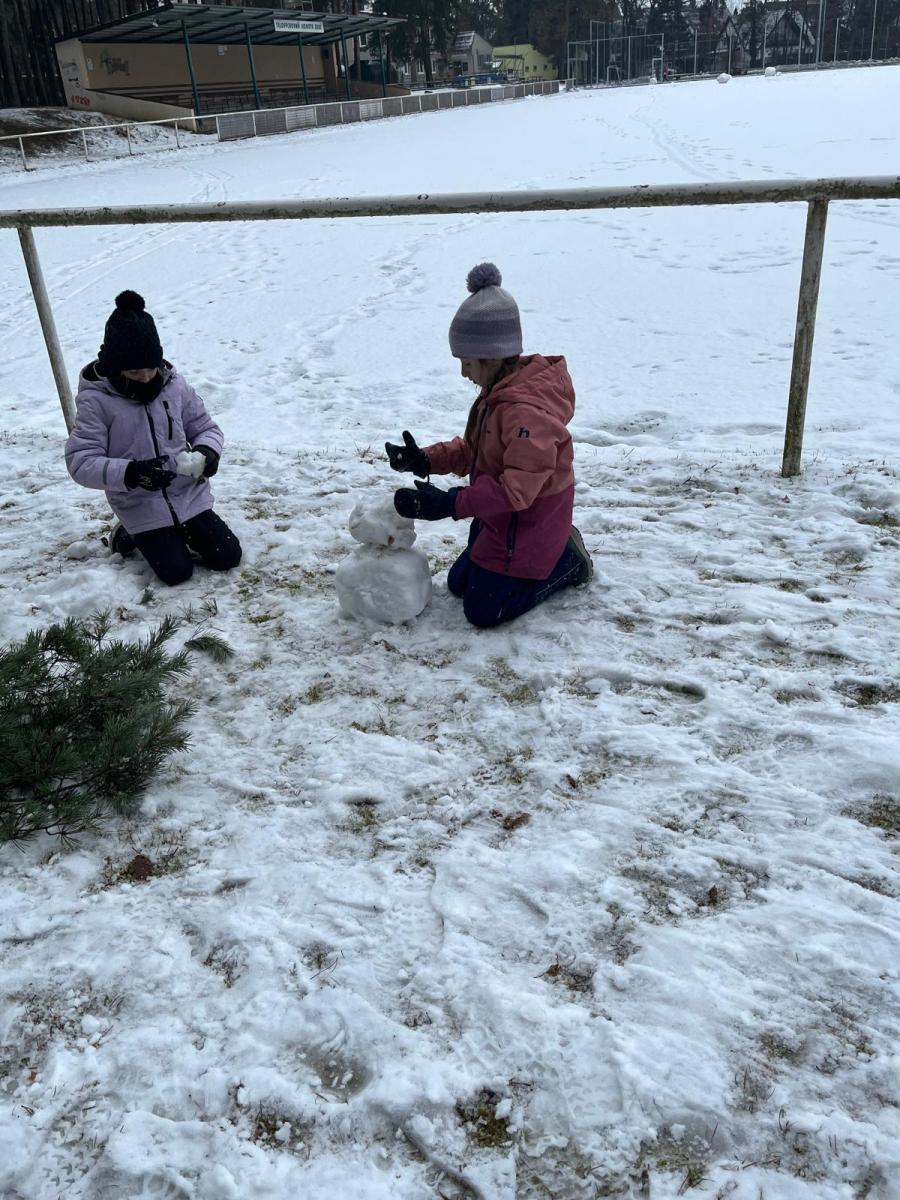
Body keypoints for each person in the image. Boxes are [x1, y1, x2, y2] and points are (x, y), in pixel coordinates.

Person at [387, 262, 592, 628]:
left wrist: (451, 503)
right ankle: (532, 558)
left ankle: (567, 561)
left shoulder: (527, 414)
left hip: (529, 528)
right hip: (499, 522)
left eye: (467, 362)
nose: (463, 372)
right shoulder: (497, 395)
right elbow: (475, 452)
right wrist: (425, 460)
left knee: (483, 611)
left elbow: (516, 492)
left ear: (493, 356)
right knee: (458, 584)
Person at [65, 290, 241, 586]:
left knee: (227, 557)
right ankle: (127, 533)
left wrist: (208, 452)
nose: (147, 377)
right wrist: (132, 473)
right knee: (176, 572)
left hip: (187, 494)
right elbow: (81, 462)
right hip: (139, 503)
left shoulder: (175, 385)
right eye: (135, 371)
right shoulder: (96, 401)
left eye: (151, 368)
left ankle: (180, 529)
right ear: (116, 367)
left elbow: (205, 427)